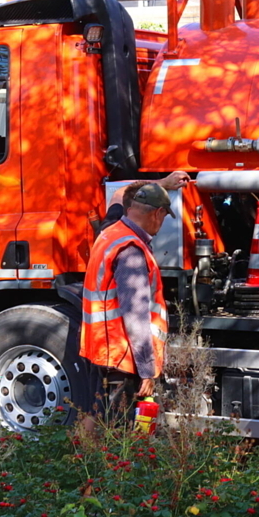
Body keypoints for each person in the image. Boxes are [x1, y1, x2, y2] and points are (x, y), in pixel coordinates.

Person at [81, 182, 176, 424]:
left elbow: (117, 194)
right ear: (157, 213)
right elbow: (136, 316)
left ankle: (81, 460)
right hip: (122, 357)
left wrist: (164, 182)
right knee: (118, 432)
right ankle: (105, 462)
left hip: (101, 353)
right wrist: (147, 371)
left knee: (97, 417)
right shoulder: (131, 250)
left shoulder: (111, 231)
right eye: (164, 216)